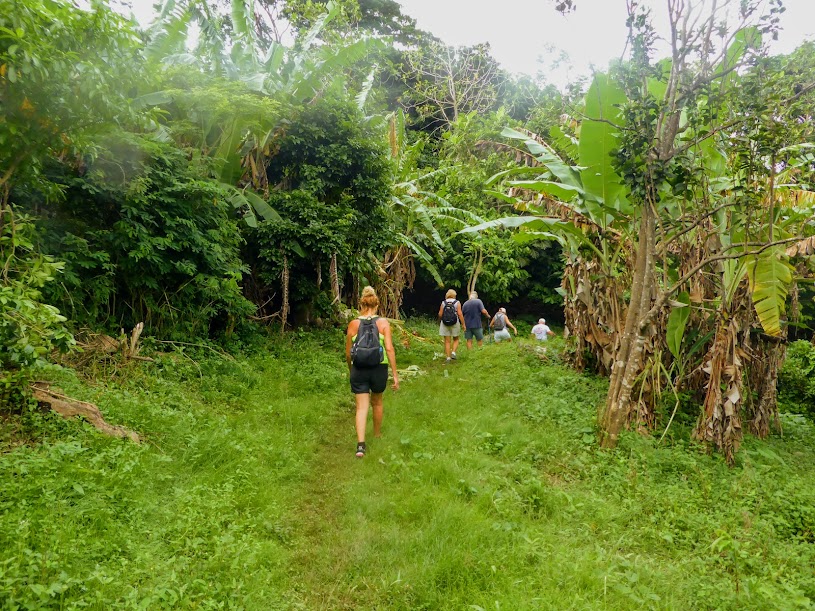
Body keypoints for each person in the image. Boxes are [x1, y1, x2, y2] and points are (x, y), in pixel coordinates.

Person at [345, 286, 399, 458]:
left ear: (361, 304)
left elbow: (348, 353)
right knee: (377, 402)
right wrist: (395, 375)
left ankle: (360, 445)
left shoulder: (353, 324)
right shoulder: (383, 323)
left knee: (361, 407)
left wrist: (351, 369)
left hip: (359, 368)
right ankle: (376, 434)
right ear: (377, 304)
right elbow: (389, 349)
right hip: (379, 368)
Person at [438, 288, 466, 363]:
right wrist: (463, 324)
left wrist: (440, 320)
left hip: (445, 323)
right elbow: (460, 314)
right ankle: (453, 352)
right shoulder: (457, 302)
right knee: (456, 339)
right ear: (454, 295)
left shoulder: (443, 302)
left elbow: (440, 314)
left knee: (447, 341)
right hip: (454, 322)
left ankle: (448, 358)